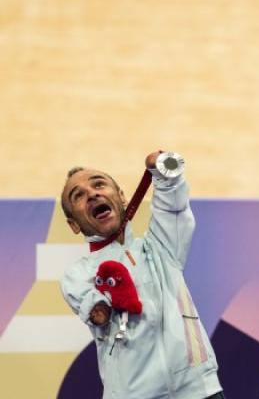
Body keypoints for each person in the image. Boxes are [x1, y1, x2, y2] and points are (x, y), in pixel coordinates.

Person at [59, 151, 224, 399]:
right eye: (78, 195)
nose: (92, 194)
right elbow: (98, 314)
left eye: (99, 184)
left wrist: (163, 170)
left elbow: (173, 206)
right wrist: (104, 302)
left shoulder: (162, 247)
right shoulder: (78, 273)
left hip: (199, 391)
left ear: (122, 197)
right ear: (74, 225)